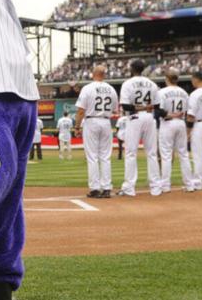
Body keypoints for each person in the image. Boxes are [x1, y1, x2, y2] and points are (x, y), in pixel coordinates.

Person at [118, 58, 162, 197]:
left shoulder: (128, 83)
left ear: (132, 69)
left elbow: (125, 106)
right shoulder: (152, 84)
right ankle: (156, 187)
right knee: (152, 153)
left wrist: (141, 107)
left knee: (131, 153)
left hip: (135, 117)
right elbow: (157, 106)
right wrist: (146, 107)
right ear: (143, 69)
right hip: (149, 117)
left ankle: (129, 188)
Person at [73, 64, 116, 198]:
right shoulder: (111, 89)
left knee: (92, 156)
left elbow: (81, 110)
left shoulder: (88, 88)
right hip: (106, 121)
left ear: (93, 74)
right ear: (104, 75)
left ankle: (95, 188)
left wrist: (77, 127)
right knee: (105, 156)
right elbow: (115, 109)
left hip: (91, 121)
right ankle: (107, 188)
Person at [156, 69, 192, 192]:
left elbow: (158, 111)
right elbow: (185, 112)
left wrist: (170, 115)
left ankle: (165, 186)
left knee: (166, 155)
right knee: (184, 155)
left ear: (166, 78)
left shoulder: (162, 92)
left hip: (168, 123)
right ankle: (189, 185)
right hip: (181, 123)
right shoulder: (184, 92)